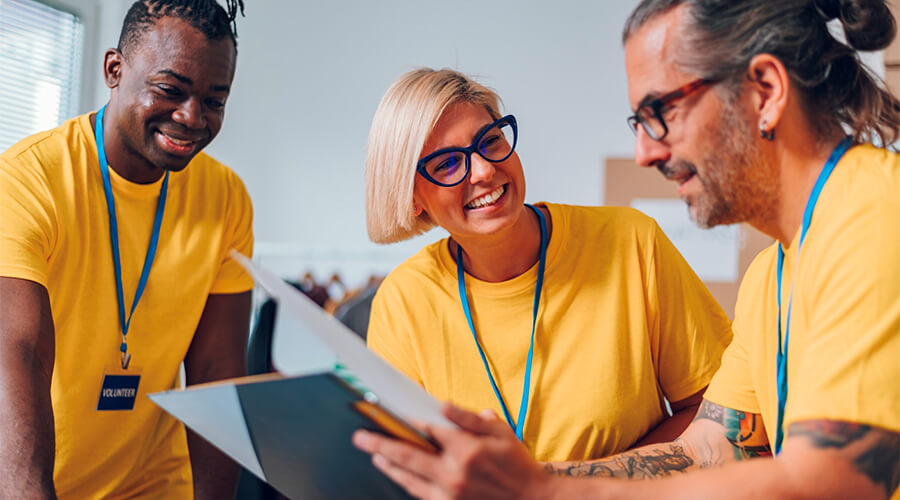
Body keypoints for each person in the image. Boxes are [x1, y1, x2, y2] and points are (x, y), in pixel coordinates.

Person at [352, 1, 900, 498]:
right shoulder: (770, 276)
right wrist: (519, 479)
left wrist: (544, 494)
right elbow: (713, 447)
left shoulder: (875, 215)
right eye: (640, 122)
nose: (643, 153)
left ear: (766, 90)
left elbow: (835, 480)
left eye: (661, 111)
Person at [363, 67, 733, 464]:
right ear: (412, 197)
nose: (485, 170)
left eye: (490, 141)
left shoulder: (632, 243)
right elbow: (404, 467)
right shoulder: (403, 302)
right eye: (448, 164)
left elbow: (723, 412)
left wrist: (564, 487)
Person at [0, 1, 253, 498]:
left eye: (214, 101)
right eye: (169, 90)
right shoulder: (28, 181)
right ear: (114, 69)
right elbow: (18, 356)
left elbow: (216, 377)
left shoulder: (225, 199)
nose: (191, 117)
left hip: (153, 484)